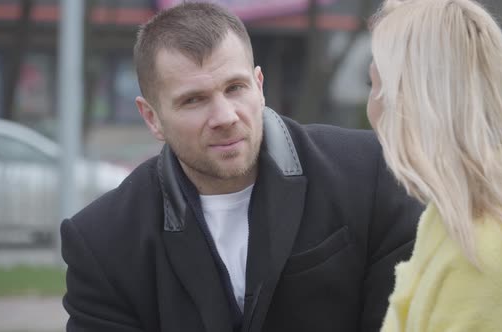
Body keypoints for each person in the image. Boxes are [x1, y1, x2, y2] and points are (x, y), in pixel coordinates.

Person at [60, 3, 422, 332]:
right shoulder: (102, 241)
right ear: (151, 117)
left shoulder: (368, 174)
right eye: (194, 100)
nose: (225, 117)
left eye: (235, 88)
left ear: (259, 86)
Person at [366, 0, 502, 331]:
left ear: (409, 100)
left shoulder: (488, 246)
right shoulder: (493, 205)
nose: (372, 107)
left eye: (376, 84)